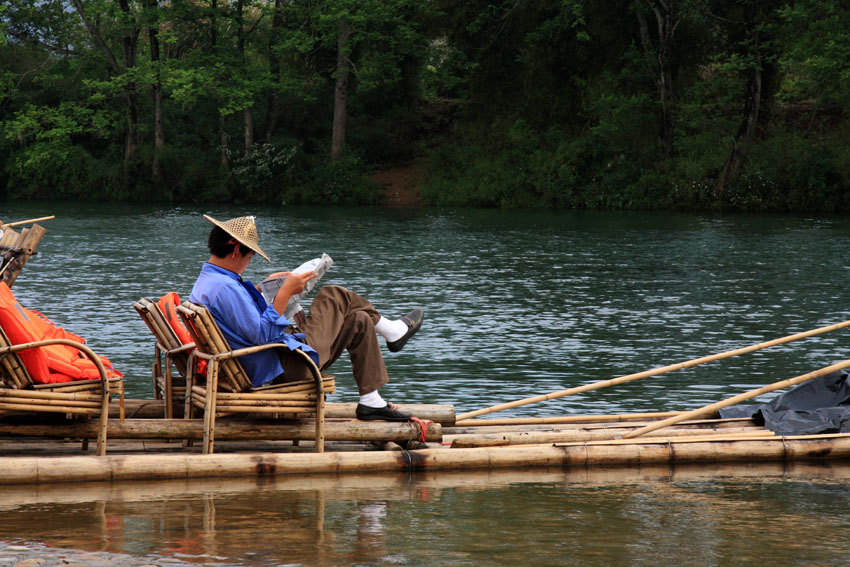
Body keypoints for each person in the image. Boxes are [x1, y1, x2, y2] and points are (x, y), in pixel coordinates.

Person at [189, 214, 424, 421]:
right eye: (250, 256)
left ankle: (371, 401)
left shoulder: (211, 281)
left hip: (276, 359)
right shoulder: (225, 288)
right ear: (236, 251)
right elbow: (261, 336)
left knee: (359, 320)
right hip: (284, 369)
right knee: (333, 295)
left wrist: (262, 289)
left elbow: (239, 319)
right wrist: (284, 293)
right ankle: (393, 332)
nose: (250, 262)